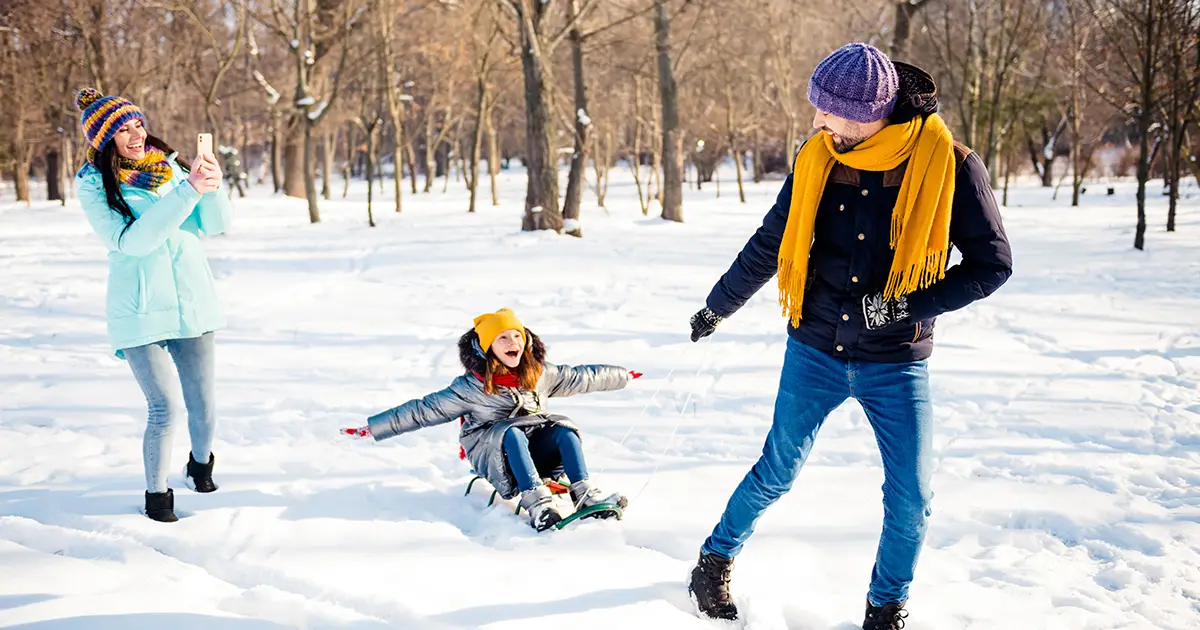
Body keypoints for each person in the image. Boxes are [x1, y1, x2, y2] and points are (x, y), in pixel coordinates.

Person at [684, 44, 1013, 629]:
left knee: (912, 498)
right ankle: (713, 559)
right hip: (813, 347)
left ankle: (886, 608)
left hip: (896, 360)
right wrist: (718, 306)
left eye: (827, 112)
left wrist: (901, 307)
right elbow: (770, 242)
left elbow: (992, 265)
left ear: (867, 115)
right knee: (776, 471)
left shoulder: (952, 165)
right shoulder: (819, 156)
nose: (816, 123)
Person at [75, 87, 232, 523]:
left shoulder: (171, 168)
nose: (135, 134)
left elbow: (216, 225)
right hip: (139, 312)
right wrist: (187, 194)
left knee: (204, 404)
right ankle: (156, 496)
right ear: (104, 139)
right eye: (122, 130)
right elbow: (134, 242)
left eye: (137, 124)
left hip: (192, 304)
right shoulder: (93, 184)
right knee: (165, 408)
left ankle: (200, 466)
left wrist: (211, 188)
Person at [349, 308, 640, 531]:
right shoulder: (470, 387)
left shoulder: (539, 373)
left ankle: (584, 492)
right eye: (503, 337)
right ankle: (537, 505)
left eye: (517, 336)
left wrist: (622, 376)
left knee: (563, 428)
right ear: (489, 347)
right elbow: (422, 410)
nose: (512, 341)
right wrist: (374, 428)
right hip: (494, 454)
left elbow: (578, 377)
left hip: (535, 450)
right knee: (510, 432)